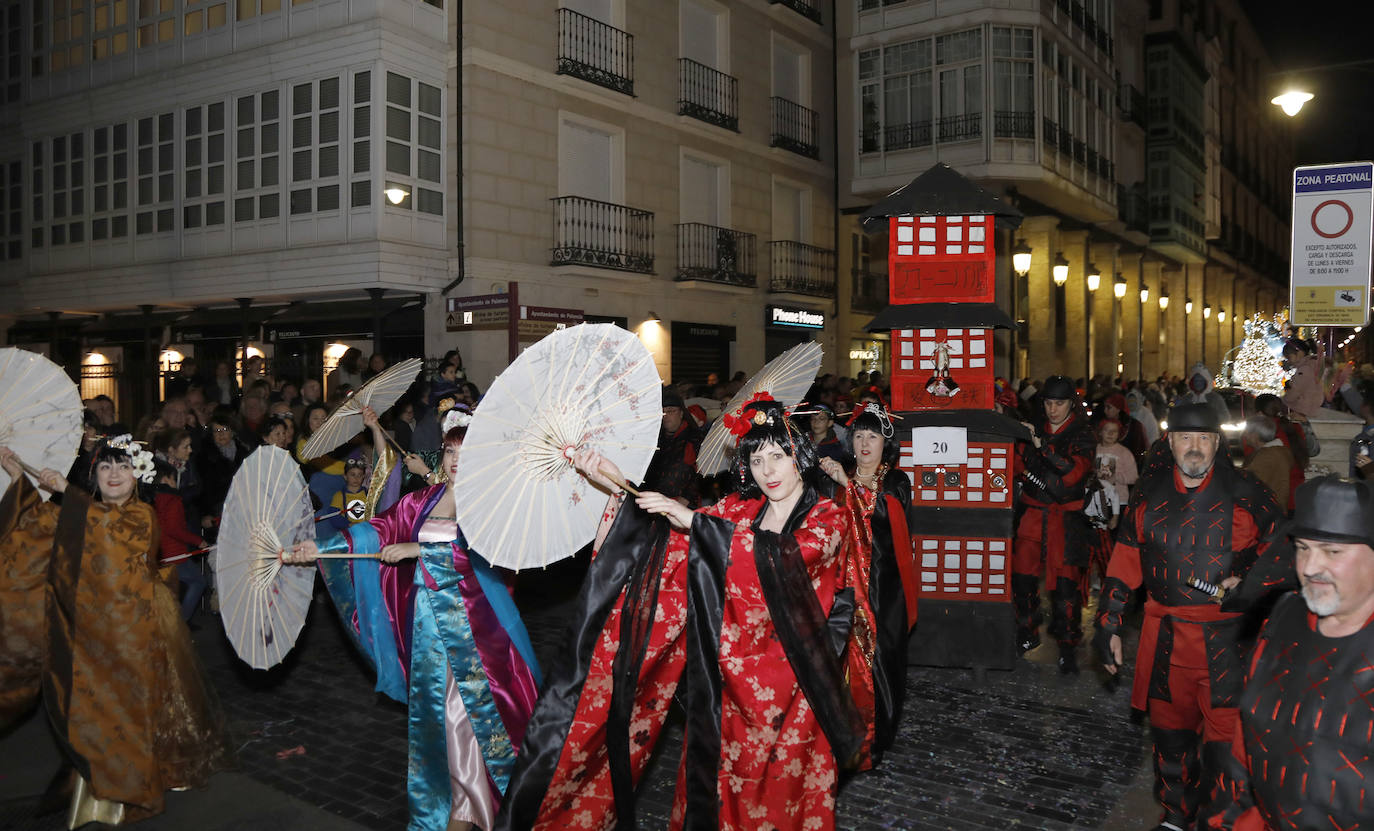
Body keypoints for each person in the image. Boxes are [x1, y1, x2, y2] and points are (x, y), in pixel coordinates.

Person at [496, 399, 870, 831]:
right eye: (757, 458)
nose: (769, 470)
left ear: (799, 458)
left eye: (778, 456)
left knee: (778, 796)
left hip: (793, 687)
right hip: (725, 684)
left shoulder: (828, 516)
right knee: (715, 789)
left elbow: (792, 558)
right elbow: (671, 543)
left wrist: (694, 522)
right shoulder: (738, 511)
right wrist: (614, 482)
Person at [287, 409, 540, 831]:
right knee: (436, 722)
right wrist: (321, 548)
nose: (458, 459)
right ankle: (450, 808)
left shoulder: (491, 504)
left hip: (477, 632)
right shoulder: (422, 501)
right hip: (427, 630)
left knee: (472, 717)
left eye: (467, 451)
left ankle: (479, 805)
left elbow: (485, 557)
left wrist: (418, 551)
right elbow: (376, 529)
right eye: (451, 450)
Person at [0, 438, 232, 824]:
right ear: (94, 474)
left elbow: (112, 534)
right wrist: (16, 477)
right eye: (105, 467)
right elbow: (33, 529)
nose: (113, 474)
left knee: (123, 715)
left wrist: (65, 492)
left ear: (136, 476)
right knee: (89, 718)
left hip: (129, 638)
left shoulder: (140, 516)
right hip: (84, 638)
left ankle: (124, 795)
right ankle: (94, 792)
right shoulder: (78, 510)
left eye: (122, 467)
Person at [1093, 404, 1283, 831]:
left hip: (1229, 645)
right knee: (1170, 741)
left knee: (1228, 751)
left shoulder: (1252, 494)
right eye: (1184, 438)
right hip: (1165, 641)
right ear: (1170, 441)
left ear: (1217, 443)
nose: (1194, 448)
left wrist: (1251, 582)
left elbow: (1283, 557)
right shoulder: (1147, 493)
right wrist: (1108, 622)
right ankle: (1176, 816)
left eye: (1203, 439)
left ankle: (1220, 820)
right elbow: (1126, 560)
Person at [1205, 476, 1374, 830]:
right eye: (1303, 548)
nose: (1310, 568)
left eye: (1332, 551)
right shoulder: (1285, 617)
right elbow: (1244, 739)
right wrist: (1226, 819)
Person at [818, 403, 918, 763]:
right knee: (838, 657)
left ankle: (877, 736)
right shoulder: (836, 474)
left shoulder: (896, 481)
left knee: (881, 660)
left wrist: (848, 484)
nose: (863, 443)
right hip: (843, 583)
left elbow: (887, 518)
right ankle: (841, 731)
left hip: (882, 587)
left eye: (872, 436)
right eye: (857, 435)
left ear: (885, 442)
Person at [1013, 374, 1096, 673]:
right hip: (1034, 513)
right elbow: (1018, 465)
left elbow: (1073, 474)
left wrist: (1043, 447)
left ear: (1070, 404)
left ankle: (1067, 647)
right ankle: (1027, 633)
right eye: (1048, 403)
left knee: (1065, 591)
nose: (1052, 409)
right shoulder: (1034, 428)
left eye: (1059, 403)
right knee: (1021, 579)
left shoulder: (1083, 434)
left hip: (1067, 519)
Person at [151, 458, 210, 622]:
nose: (175, 481)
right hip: (175, 554)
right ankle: (180, 623)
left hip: (162, 554)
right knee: (199, 582)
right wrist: (198, 541)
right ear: (165, 480)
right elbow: (174, 529)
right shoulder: (173, 500)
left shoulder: (155, 499)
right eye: (172, 478)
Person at [641, 386, 702, 507]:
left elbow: (702, 472)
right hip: (656, 503)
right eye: (663, 411)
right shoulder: (656, 439)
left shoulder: (694, 438)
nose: (665, 415)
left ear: (681, 413)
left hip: (683, 504)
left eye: (671, 411)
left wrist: (686, 498)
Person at [1241, 416, 1294, 509]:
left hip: (1267, 511)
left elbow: (1248, 484)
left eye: (1246, 432)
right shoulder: (1280, 451)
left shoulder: (1267, 456)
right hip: (1275, 508)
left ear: (1255, 435)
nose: (1244, 435)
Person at [1095, 418, 1139, 505]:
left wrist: (1116, 477)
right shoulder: (1094, 450)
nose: (1110, 434)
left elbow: (1134, 477)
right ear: (1100, 432)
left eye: (1114, 431)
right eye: (1107, 430)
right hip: (1097, 500)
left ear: (1119, 434)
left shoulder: (1124, 452)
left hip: (1119, 500)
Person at [324, 458, 371, 531]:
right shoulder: (339, 495)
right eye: (352, 474)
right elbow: (333, 516)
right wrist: (349, 524)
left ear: (364, 477)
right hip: (349, 531)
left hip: (368, 529)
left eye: (360, 475)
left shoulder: (369, 494)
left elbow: (377, 512)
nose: (356, 478)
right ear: (345, 476)